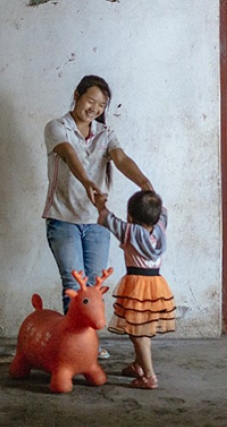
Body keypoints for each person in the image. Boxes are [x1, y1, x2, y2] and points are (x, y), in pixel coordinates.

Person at [42, 74, 153, 359]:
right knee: (73, 283)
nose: (94, 108)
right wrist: (87, 182)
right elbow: (68, 153)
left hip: (98, 223)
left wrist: (144, 183)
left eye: (101, 105)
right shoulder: (57, 127)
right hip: (63, 219)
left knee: (92, 286)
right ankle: (74, 348)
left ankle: (87, 345)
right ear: (77, 94)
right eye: (90, 100)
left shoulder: (106, 134)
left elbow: (121, 158)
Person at [94, 189, 176, 389]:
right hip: (156, 284)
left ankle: (149, 376)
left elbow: (105, 218)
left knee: (140, 333)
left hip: (137, 285)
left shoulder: (128, 231)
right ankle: (139, 365)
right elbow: (163, 211)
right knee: (139, 328)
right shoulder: (161, 229)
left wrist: (100, 202)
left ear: (130, 216)